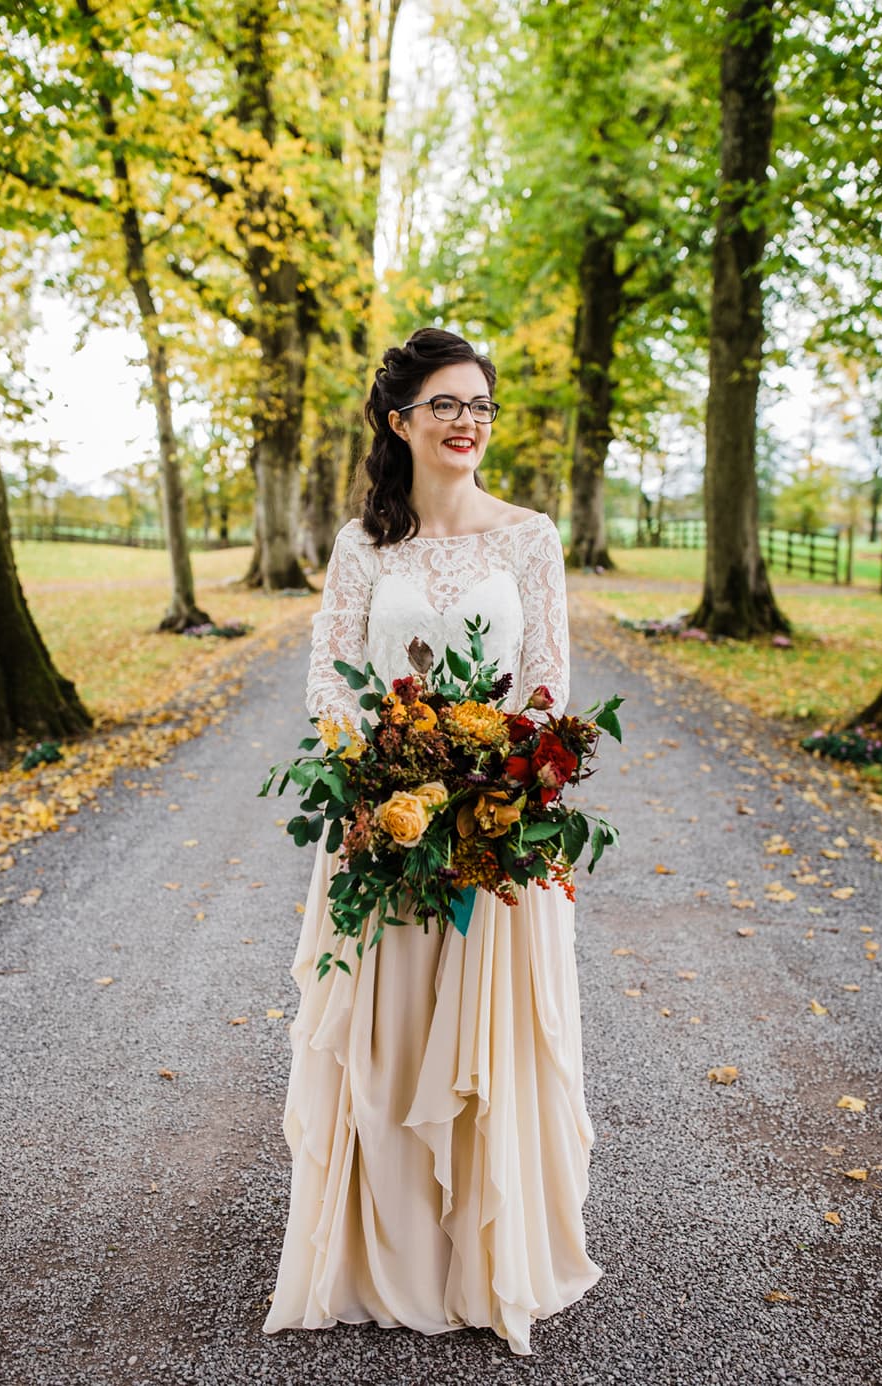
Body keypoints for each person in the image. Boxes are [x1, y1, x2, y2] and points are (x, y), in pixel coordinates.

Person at [263, 328, 603, 1356]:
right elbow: (329, 669)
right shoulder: (365, 543)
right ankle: (387, 1250)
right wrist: (378, 768)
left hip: (496, 831)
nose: (468, 424)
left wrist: (499, 772)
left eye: (481, 406)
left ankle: (488, 1249)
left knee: (490, 1041)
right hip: (386, 821)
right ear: (399, 421)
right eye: (446, 405)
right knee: (394, 1032)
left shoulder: (529, 536)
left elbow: (549, 678)